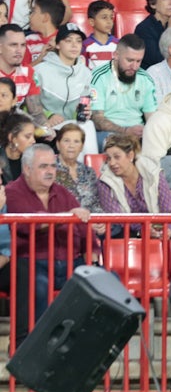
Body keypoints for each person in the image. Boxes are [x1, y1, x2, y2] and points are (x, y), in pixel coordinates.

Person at [3, 143, 91, 339]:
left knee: (103, 281)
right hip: (35, 264)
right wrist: (65, 217)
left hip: (70, 263)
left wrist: (92, 252)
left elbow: (85, 228)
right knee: (37, 286)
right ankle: (37, 349)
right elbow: (27, 226)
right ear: (27, 169)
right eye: (44, 167)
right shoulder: (12, 192)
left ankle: (85, 347)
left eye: (52, 166)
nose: (50, 172)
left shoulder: (62, 192)